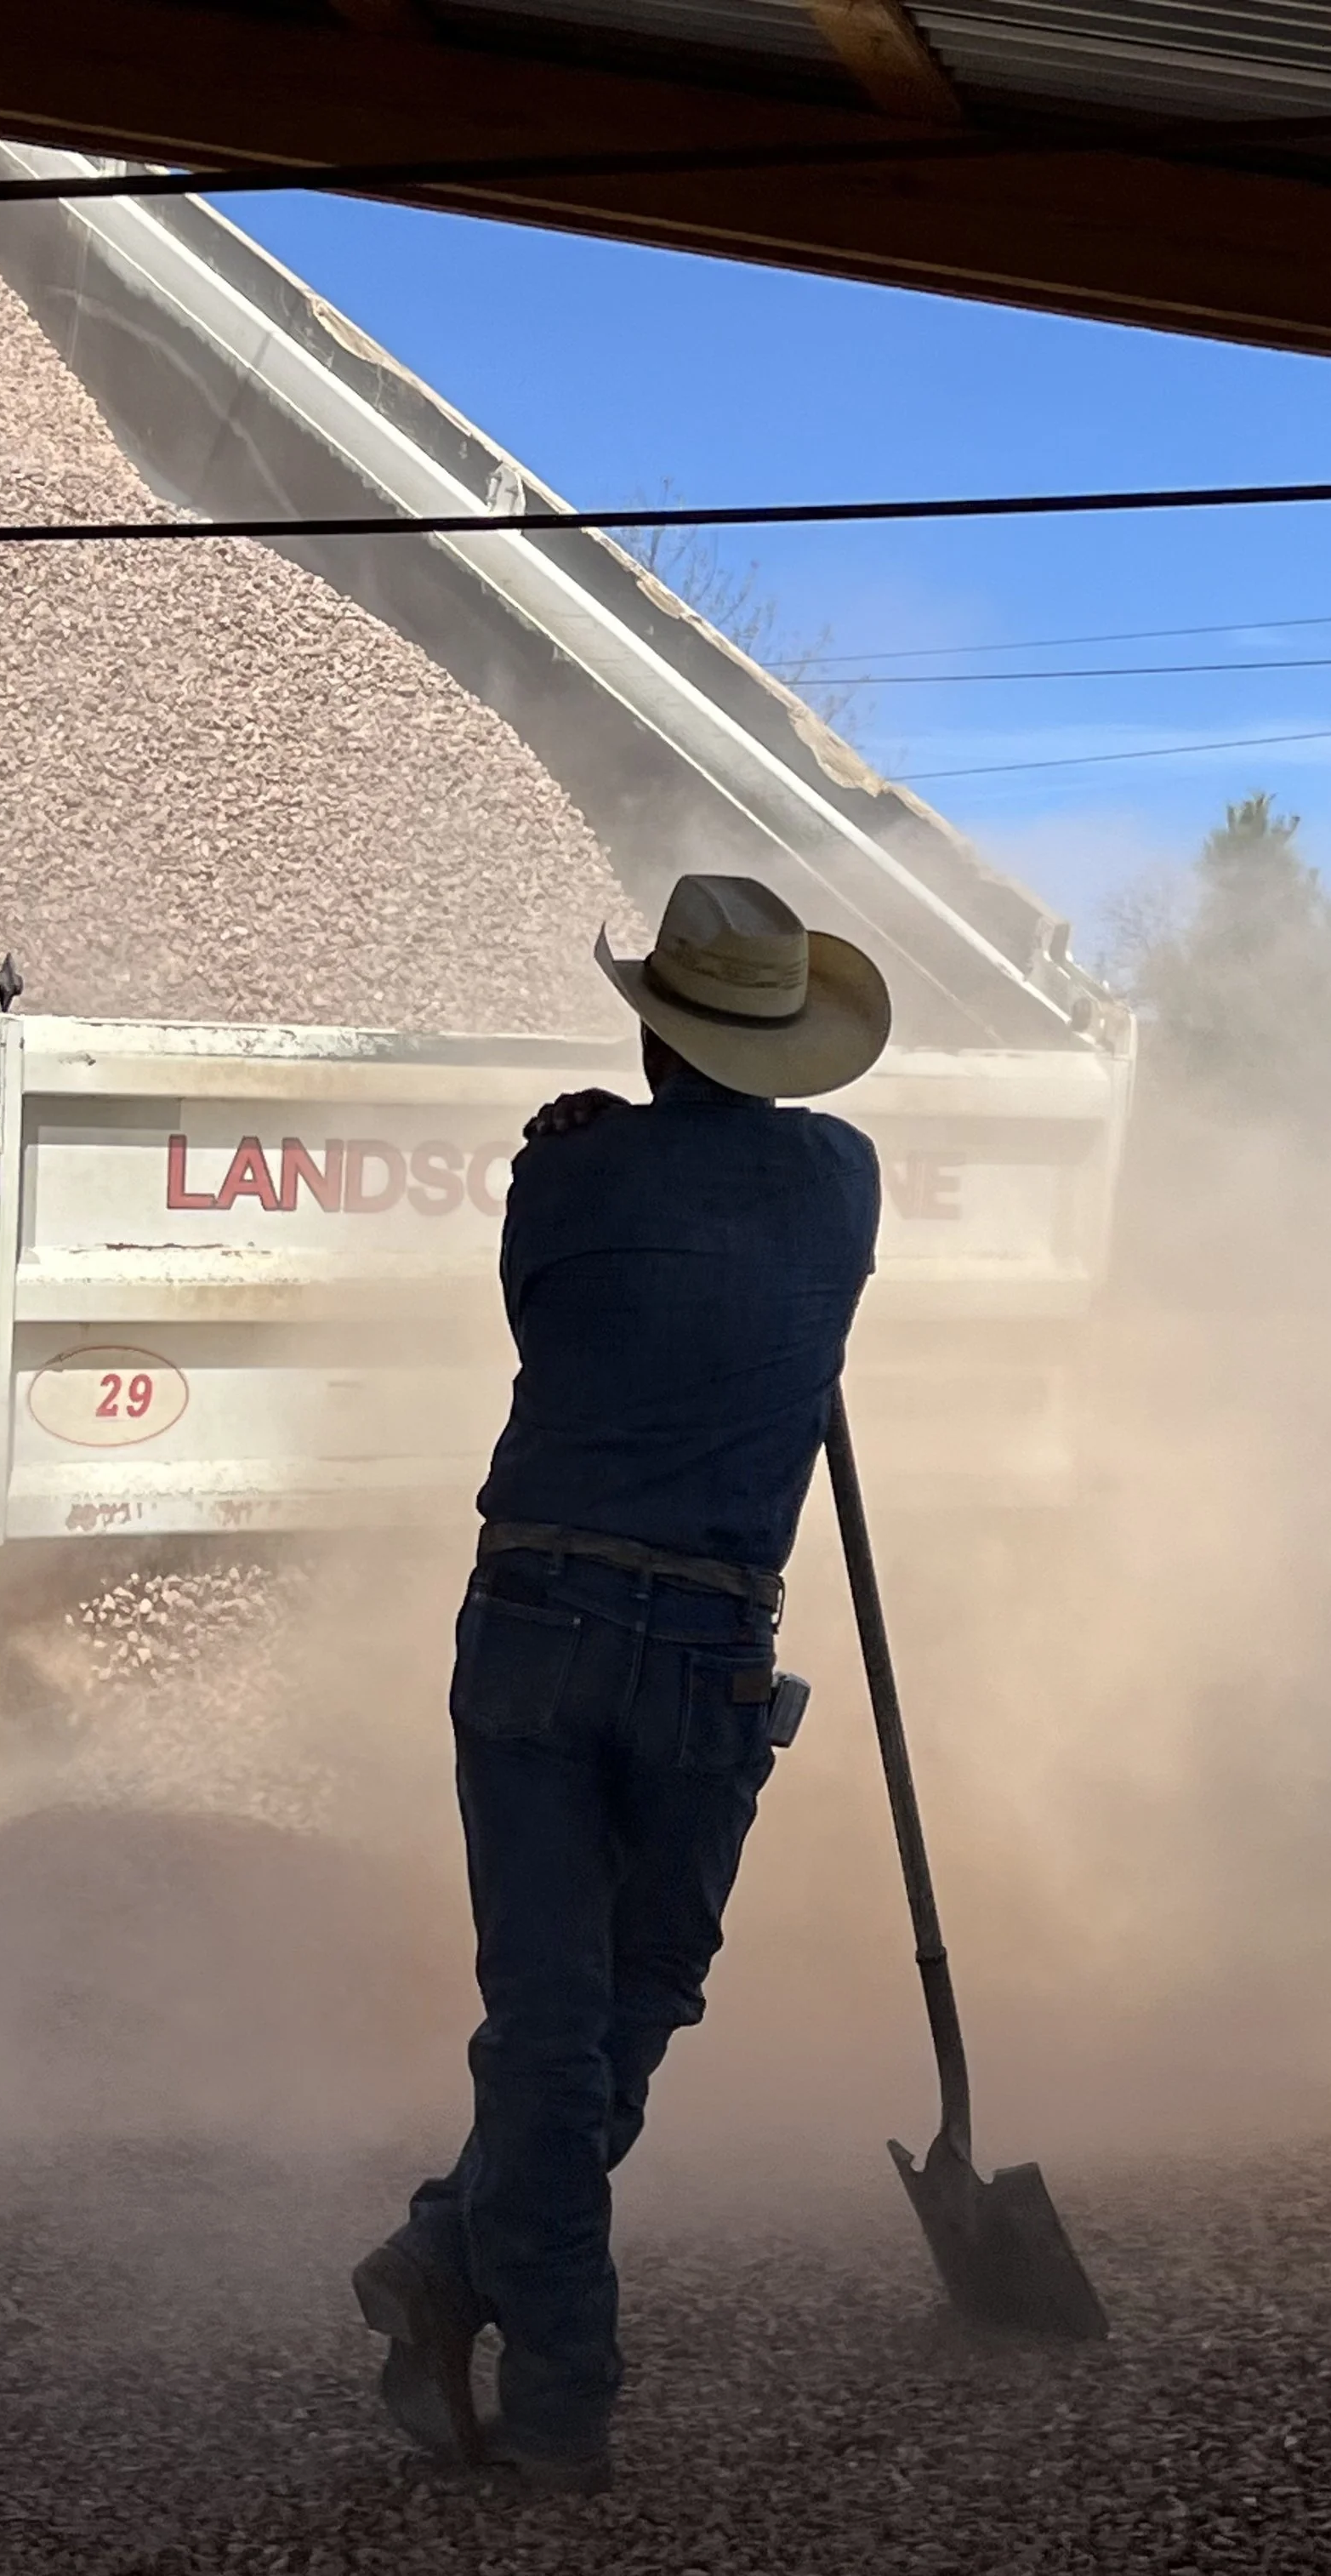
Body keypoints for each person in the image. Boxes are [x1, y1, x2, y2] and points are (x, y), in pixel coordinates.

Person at [352, 875, 890, 2494]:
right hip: (707, 1649)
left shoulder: (562, 1180)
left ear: (653, 1035)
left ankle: (455, 2265)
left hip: (532, 1617)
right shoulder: (845, 1185)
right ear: (793, 1056)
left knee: (549, 2027)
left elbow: (548, 1321)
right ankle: (559, 2388)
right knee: (631, 2006)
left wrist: (588, 1145)